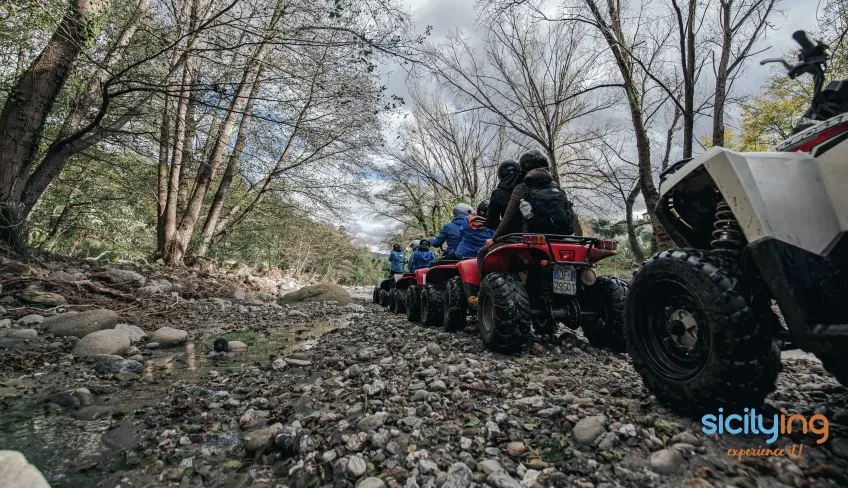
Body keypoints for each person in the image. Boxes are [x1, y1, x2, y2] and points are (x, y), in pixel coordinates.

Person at [478, 150, 573, 273]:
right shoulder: (556, 188)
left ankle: (480, 291)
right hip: (558, 238)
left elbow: (507, 218)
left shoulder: (522, 188)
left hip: (527, 238)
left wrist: (494, 239)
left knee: (482, 253)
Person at [487, 160, 522, 234]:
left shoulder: (498, 193)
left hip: (510, 236)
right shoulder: (528, 187)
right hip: (538, 235)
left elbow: (491, 222)